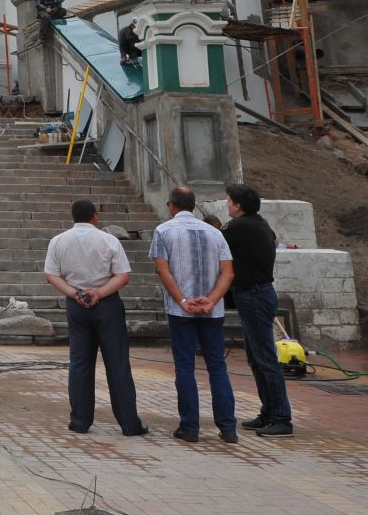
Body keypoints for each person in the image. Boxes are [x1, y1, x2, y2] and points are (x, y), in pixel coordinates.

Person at [42, 199, 148, 437]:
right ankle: (129, 423)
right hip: (107, 303)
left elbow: (51, 275)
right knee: (117, 363)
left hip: (77, 305)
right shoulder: (108, 240)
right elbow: (123, 276)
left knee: (80, 362)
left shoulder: (58, 241)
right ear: (95, 217)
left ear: (73, 217)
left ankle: (80, 421)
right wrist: (99, 292)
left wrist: (75, 293)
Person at [151, 185, 238, 443]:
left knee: (185, 367)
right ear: (193, 205)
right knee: (217, 367)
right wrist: (210, 301)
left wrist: (183, 300)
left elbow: (163, 271)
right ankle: (228, 428)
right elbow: (228, 273)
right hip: (213, 311)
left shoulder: (164, 231)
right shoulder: (215, 233)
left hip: (181, 311)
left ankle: (190, 427)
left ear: (171, 206)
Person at [221, 183, 294, 437]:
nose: (227, 204)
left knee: (265, 358)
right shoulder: (260, 223)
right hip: (258, 293)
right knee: (256, 357)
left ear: (238, 205)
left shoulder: (239, 227)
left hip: (254, 294)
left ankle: (282, 417)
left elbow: (215, 241)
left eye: (229, 201)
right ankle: (269, 412)